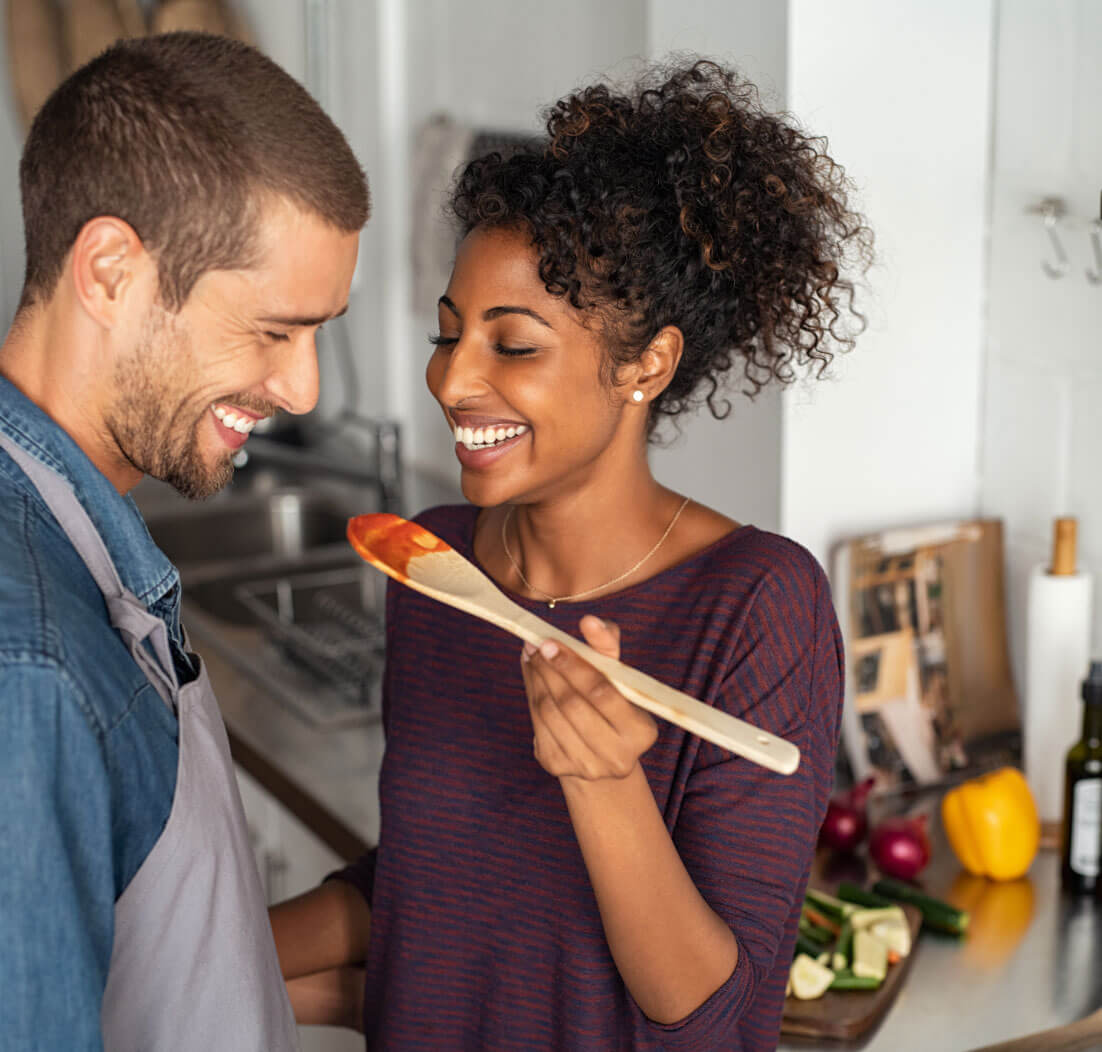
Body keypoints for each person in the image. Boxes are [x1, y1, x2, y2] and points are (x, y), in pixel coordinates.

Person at [271, 59, 871, 1050]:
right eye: (447, 332)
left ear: (648, 364)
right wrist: (196, 952)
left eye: (513, 346)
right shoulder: (434, 565)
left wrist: (604, 782)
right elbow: (433, 876)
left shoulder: (759, 604)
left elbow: (714, 1014)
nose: (452, 378)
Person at [0, 32, 368, 1051]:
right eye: (273, 330)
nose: (305, 390)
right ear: (111, 271)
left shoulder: (62, 530)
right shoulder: (30, 667)